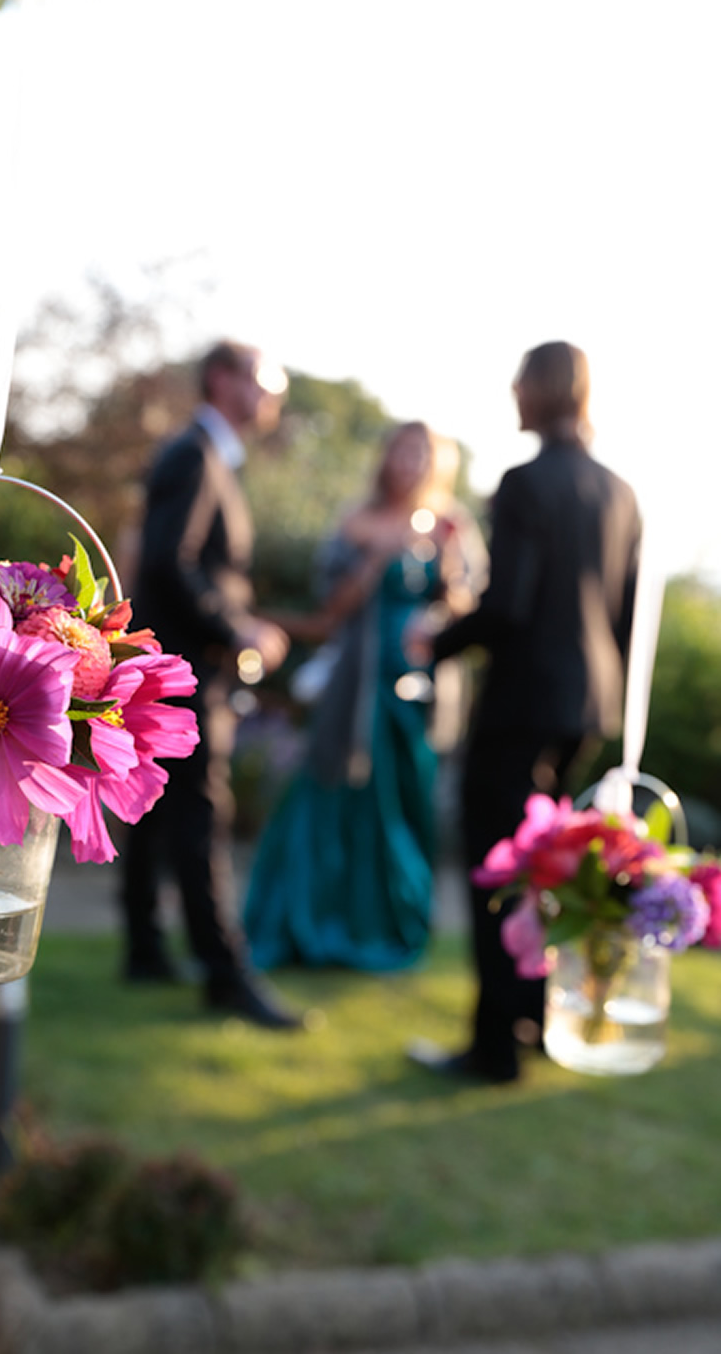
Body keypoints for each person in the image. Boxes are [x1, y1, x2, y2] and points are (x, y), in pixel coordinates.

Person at [407, 341, 642, 1083]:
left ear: (538, 391)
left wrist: (435, 642)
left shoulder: (524, 483)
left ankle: (492, 1048)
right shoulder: (621, 491)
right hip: (588, 707)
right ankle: (535, 1020)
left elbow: (506, 605)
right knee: (550, 867)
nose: (512, 391)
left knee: (499, 870)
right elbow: (627, 618)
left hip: (522, 706)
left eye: (518, 381)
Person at [242, 421, 487, 971]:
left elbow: (468, 610)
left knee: (403, 803)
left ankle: (388, 925)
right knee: (334, 794)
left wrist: (446, 574)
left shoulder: (453, 525)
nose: (410, 462)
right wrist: (380, 557)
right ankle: (310, 922)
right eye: (402, 450)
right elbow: (332, 609)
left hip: (418, 693)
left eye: (421, 454)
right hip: (358, 686)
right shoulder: (357, 520)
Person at [120, 339, 299, 1029]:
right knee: (198, 813)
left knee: (157, 805)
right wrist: (242, 627)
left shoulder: (204, 455)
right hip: (186, 670)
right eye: (264, 381)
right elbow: (172, 564)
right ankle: (226, 974)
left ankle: (143, 948)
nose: (272, 396)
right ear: (223, 380)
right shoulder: (194, 454)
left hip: (185, 663)